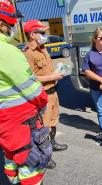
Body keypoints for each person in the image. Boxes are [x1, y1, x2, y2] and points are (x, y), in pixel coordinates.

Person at [0, 0, 51, 184]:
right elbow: (34, 90)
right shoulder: (8, 52)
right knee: (31, 168)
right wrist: (44, 101)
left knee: (11, 159)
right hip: (20, 123)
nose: (13, 28)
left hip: (5, 123)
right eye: (11, 24)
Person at [22, 20, 68, 152]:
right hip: (43, 95)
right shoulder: (28, 53)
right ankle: (44, 153)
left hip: (53, 92)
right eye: (42, 32)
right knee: (44, 126)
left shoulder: (43, 48)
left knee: (53, 121)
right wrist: (51, 77)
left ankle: (52, 143)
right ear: (32, 34)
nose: (45, 35)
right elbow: (30, 79)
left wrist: (57, 74)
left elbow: (47, 70)